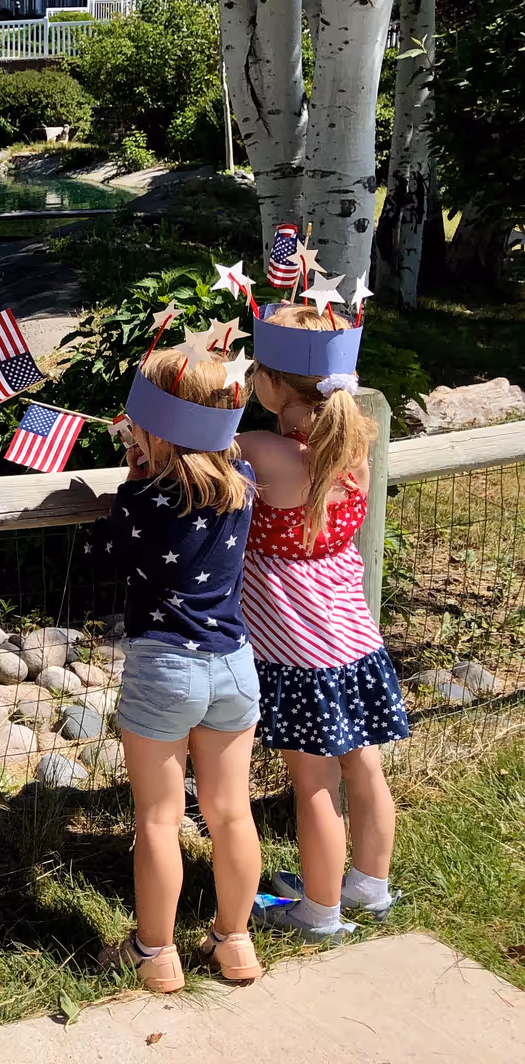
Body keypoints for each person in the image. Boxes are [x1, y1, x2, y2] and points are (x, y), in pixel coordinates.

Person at [241, 302, 407, 941]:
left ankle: (319, 910)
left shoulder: (259, 450)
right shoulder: (356, 448)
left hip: (298, 654)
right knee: (364, 766)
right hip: (356, 642)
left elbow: (192, 451)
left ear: (275, 385)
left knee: (312, 781)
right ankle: (370, 883)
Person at [101, 345, 264, 993]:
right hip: (233, 664)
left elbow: (112, 548)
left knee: (160, 820)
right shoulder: (244, 484)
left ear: (155, 431)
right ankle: (235, 943)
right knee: (231, 815)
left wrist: (136, 477)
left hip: (165, 668)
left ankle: (156, 952)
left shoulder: (140, 506)